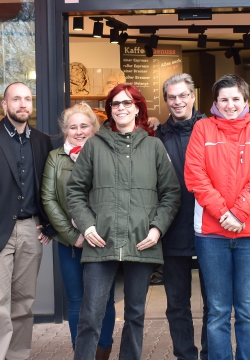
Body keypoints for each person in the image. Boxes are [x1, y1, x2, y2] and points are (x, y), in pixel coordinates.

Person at [66, 84, 181, 360]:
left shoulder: (154, 146)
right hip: (100, 241)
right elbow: (74, 191)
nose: (121, 108)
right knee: (90, 316)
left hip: (141, 243)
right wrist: (87, 225)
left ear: (138, 107)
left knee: (135, 315)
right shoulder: (94, 145)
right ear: (110, 110)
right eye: (115, 104)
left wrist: (157, 228)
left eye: (127, 103)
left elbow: (171, 194)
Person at [184, 74, 250, 360]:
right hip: (211, 235)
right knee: (218, 310)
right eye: (224, 99)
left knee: (248, 309)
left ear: (245, 101)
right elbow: (195, 176)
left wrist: (238, 212)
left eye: (236, 99)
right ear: (215, 102)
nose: (230, 105)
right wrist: (224, 214)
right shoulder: (202, 129)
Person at [0, 82, 54, 360]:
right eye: (16, 99)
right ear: (5, 105)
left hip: (31, 230)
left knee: (23, 305)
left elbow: (47, 188)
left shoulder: (41, 141)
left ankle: (18, 356)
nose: (23, 104)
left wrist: (48, 224)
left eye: (27, 99)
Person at [41, 103, 116, 358]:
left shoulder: (107, 153)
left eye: (84, 126)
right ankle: (81, 352)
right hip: (70, 243)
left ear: (94, 129)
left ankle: (103, 350)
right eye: (73, 127)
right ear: (66, 131)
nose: (79, 131)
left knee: (104, 299)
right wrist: (74, 236)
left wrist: (98, 231)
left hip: (102, 240)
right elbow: (49, 199)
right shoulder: (56, 158)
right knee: (77, 300)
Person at [157, 73, 209, 360]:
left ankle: (210, 353)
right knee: (177, 303)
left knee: (213, 302)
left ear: (192, 97)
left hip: (209, 228)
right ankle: (185, 355)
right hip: (172, 228)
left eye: (182, 95)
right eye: (171, 97)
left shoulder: (212, 129)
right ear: (166, 101)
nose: (177, 101)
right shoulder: (156, 136)